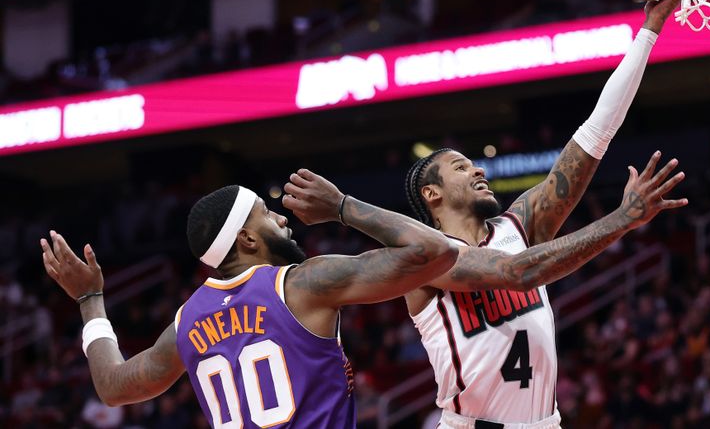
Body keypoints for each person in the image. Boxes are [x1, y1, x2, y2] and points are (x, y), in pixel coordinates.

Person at [399, 0, 687, 428]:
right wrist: (622, 220)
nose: (477, 170)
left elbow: (594, 134)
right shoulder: (427, 256)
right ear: (431, 194)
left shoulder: (519, 225)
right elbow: (522, 271)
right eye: (460, 167)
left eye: (473, 164)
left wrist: (650, 28)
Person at [41, 178, 459, 428]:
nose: (282, 218)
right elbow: (435, 251)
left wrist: (89, 299)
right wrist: (341, 207)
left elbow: (113, 387)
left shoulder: (187, 321)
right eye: (266, 213)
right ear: (247, 239)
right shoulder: (301, 284)